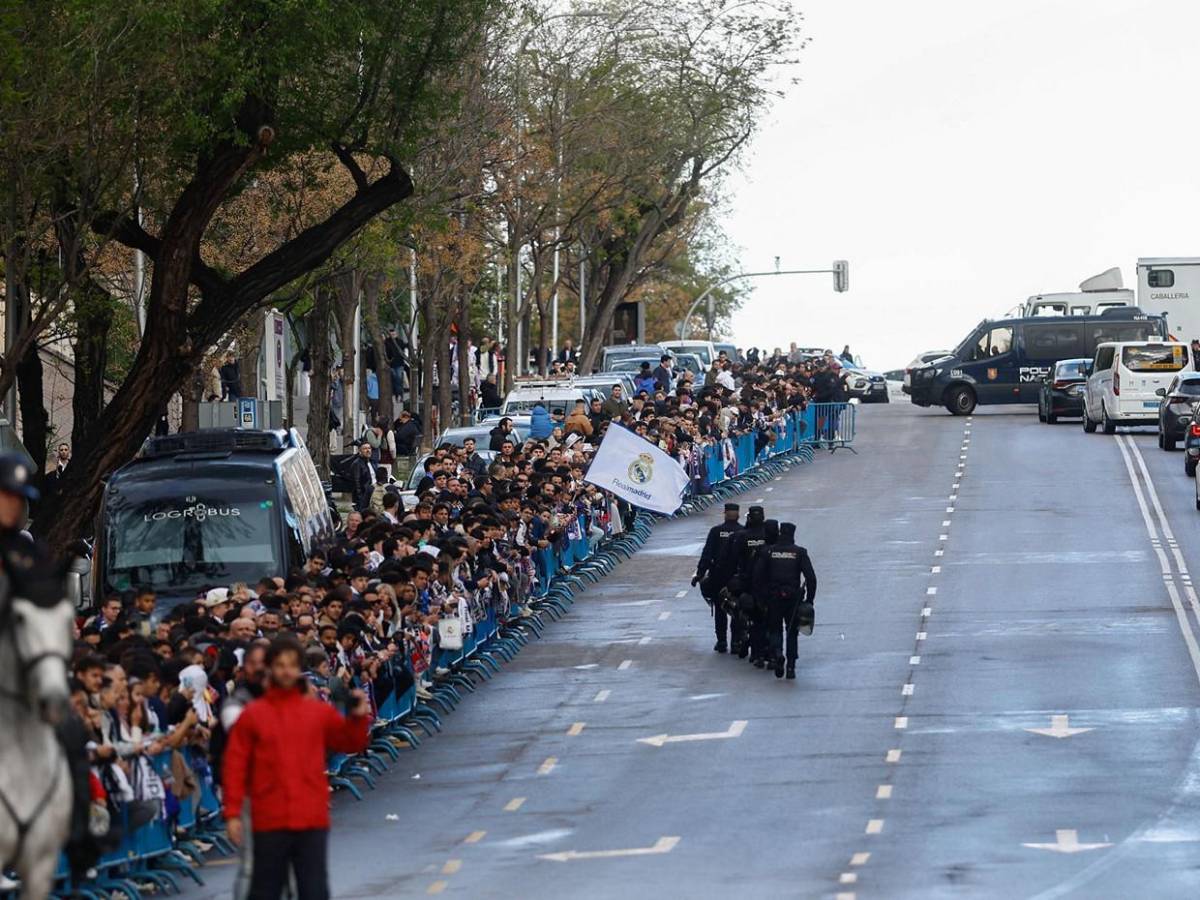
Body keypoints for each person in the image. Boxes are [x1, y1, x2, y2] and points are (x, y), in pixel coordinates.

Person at [222, 635, 370, 900]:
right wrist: (232, 813)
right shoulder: (253, 716)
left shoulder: (316, 712)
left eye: (291, 664)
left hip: (310, 815)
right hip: (269, 817)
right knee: (265, 889)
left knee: (313, 889)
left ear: (299, 667)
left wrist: (359, 717)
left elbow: (350, 742)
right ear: (270, 668)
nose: (286, 670)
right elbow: (236, 764)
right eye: (279, 664)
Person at [754, 521, 817, 679]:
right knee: (792, 632)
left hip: (773, 597)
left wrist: (761, 597)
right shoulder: (799, 552)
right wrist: (809, 599)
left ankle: (777, 654)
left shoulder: (769, 552)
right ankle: (790, 666)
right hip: (793, 598)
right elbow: (811, 578)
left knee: (775, 629)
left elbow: (757, 576)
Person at [692, 503, 742, 653]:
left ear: (725, 513)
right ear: (738, 515)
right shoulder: (742, 532)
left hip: (718, 577)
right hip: (737, 578)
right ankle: (735, 642)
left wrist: (699, 574)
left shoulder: (716, 531)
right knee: (737, 610)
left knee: (720, 610)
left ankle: (721, 641)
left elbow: (706, 555)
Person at [719, 505, 767, 660]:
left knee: (740, 611)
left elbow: (731, 559)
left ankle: (739, 641)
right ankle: (763, 649)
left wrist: (728, 580)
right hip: (765, 583)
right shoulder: (768, 535)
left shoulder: (741, 536)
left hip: (746, 581)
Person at [349, 442, 375, 513]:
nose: (368, 450)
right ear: (360, 451)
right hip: (363, 497)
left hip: (373, 495)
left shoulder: (372, 462)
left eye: (369, 448)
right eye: (365, 448)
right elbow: (356, 483)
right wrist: (361, 499)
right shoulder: (357, 464)